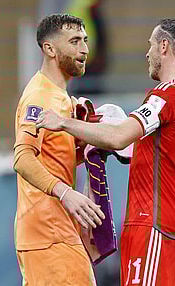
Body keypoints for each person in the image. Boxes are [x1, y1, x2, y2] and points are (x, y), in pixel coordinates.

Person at [36, 12, 175, 285]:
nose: (147, 53)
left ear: (164, 47)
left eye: (151, 45)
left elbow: (118, 137)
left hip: (150, 225)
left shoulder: (168, 95)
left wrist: (63, 123)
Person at [13, 14, 105, 285]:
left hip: (53, 232)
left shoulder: (58, 95)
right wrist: (66, 193)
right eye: (75, 41)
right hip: (49, 233)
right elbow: (22, 158)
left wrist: (88, 145)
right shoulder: (40, 96)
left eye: (85, 41)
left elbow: (52, 157)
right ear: (50, 49)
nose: (85, 49)